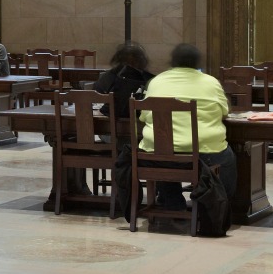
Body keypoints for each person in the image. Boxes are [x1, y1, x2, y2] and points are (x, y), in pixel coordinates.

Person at [138, 42, 236, 237]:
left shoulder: (156, 82)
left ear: (172, 62)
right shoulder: (210, 82)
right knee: (229, 159)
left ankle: (173, 204)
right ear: (197, 63)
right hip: (204, 154)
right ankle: (218, 208)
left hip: (157, 155)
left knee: (166, 152)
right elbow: (224, 112)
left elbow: (144, 116)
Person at [94, 41, 154, 219]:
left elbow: (97, 103)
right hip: (139, 138)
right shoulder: (150, 80)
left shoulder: (107, 77)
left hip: (109, 137)